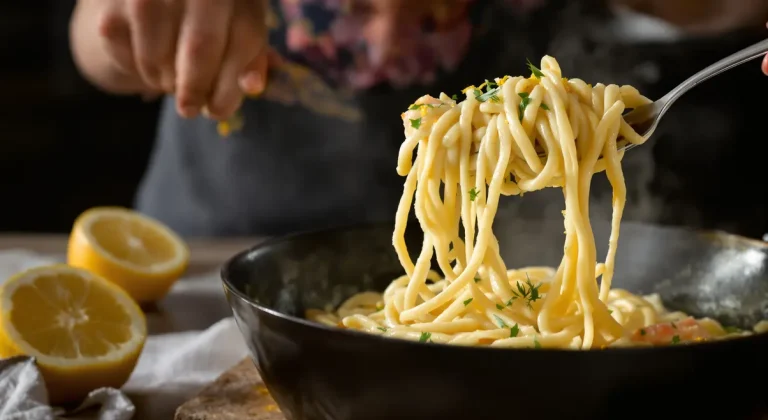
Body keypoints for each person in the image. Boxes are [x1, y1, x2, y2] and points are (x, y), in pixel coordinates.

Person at [70, 0, 768, 237]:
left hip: (527, 257)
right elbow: (95, 41)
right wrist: (139, 29)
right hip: (210, 270)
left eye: (434, 9)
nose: (385, 44)